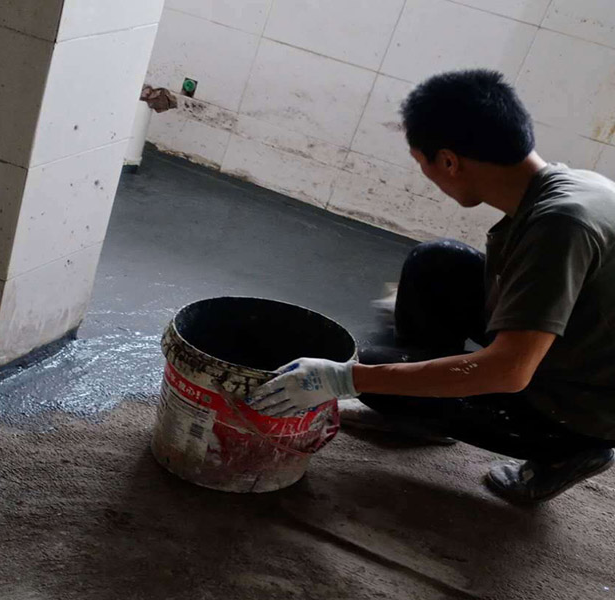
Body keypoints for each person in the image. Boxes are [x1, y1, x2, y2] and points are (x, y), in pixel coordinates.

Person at [249, 69, 615, 505]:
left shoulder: (560, 225)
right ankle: (416, 420)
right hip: (583, 351)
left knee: (373, 371)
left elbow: (509, 371)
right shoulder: (571, 187)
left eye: (421, 161)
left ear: (448, 161)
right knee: (437, 261)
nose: (425, 173)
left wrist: (346, 379)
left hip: (585, 408)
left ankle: (570, 454)